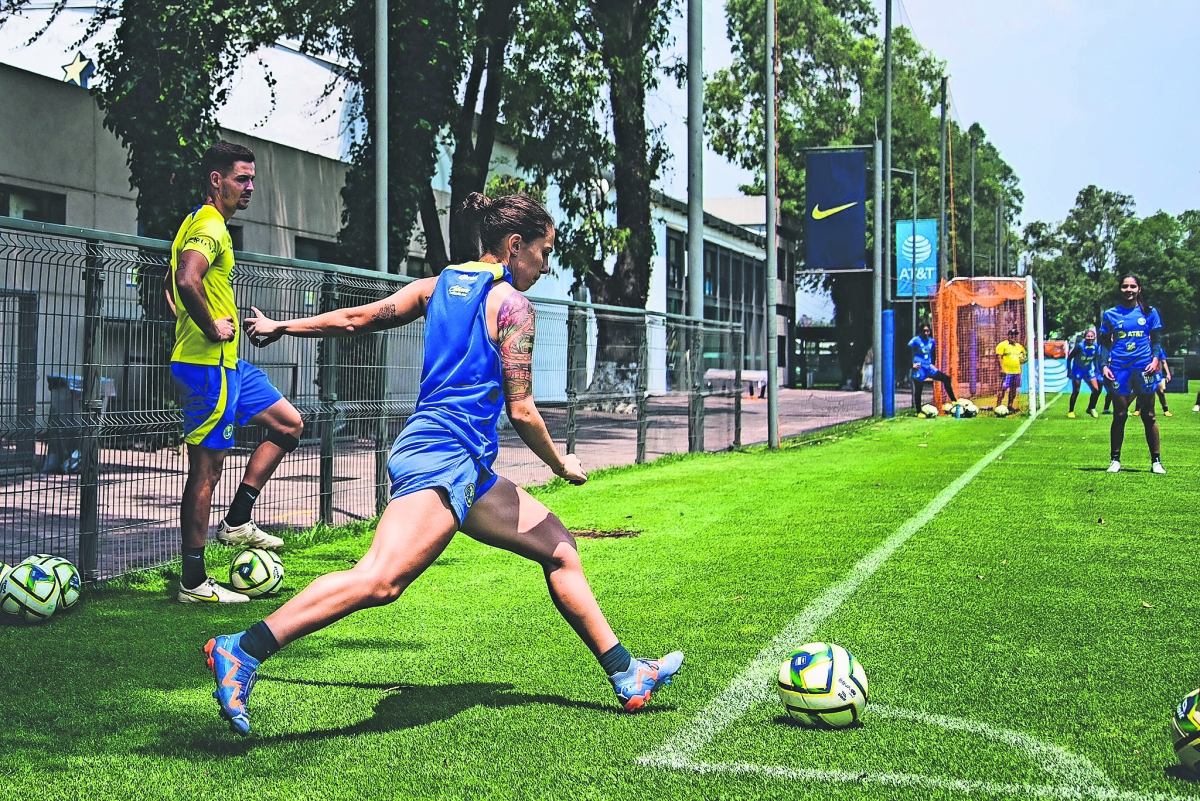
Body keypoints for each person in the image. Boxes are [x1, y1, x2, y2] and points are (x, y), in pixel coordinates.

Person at [201, 193, 683, 736]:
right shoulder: (514, 307)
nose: (545, 266)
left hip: (465, 465)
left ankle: (626, 674)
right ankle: (242, 649)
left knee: (560, 548)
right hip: (442, 455)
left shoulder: (439, 285)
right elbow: (522, 409)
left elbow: (361, 318)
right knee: (380, 581)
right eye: (544, 253)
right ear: (514, 245)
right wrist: (558, 462)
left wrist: (284, 327)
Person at [168, 141, 304, 603]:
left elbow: (183, 284)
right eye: (240, 179)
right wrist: (211, 324)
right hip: (208, 367)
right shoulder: (208, 224)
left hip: (231, 365)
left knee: (290, 424)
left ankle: (237, 521)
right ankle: (192, 583)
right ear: (216, 180)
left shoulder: (203, 222)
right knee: (206, 473)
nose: (249, 187)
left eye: (251, 179)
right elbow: (187, 278)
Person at [1099, 274, 1164, 474]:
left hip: (1144, 368)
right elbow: (1104, 342)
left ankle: (1156, 462)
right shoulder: (1110, 314)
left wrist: (1155, 360)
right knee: (1119, 414)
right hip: (1119, 368)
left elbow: (1157, 339)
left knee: (1149, 415)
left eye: (1132, 286)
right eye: (1125, 286)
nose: (1129, 290)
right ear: (1120, 289)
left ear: (1139, 289)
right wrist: (1103, 365)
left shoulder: (1150, 312)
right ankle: (1115, 460)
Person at [908, 323, 957, 410]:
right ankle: (919, 411)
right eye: (924, 331)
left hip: (929, 367)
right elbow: (906, 352)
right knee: (919, 388)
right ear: (920, 331)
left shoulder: (931, 341)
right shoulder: (916, 340)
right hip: (919, 368)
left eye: (927, 331)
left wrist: (932, 363)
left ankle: (954, 401)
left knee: (946, 379)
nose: (926, 333)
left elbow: (933, 353)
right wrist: (911, 365)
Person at [1066, 329, 1102, 418]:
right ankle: (1071, 411)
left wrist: (1097, 368)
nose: (1090, 338)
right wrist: (1069, 371)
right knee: (1076, 391)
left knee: (1096, 390)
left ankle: (1091, 408)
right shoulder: (1080, 346)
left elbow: (1095, 358)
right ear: (1085, 337)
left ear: (1094, 337)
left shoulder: (1096, 346)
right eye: (1088, 336)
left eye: (1091, 337)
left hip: (1088, 370)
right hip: (1077, 370)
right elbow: (1070, 358)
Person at [994, 327, 1028, 411]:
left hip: (1016, 372)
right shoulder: (1003, 345)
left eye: (1015, 335)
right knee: (1003, 389)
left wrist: (1023, 359)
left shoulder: (1019, 346)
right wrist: (1002, 369)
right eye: (1012, 335)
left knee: (1013, 390)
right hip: (1007, 372)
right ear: (1008, 335)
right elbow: (999, 357)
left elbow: (1024, 356)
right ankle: (998, 406)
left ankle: (1010, 405)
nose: (1013, 337)